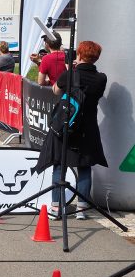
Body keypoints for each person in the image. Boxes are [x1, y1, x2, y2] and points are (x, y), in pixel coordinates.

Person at [35, 41, 107, 220]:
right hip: (88, 129)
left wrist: (69, 71)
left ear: (80, 55)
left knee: (60, 165)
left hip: (66, 126)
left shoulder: (69, 74)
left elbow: (55, 91)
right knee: (84, 167)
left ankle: (56, 208)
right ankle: (82, 209)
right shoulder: (101, 78)